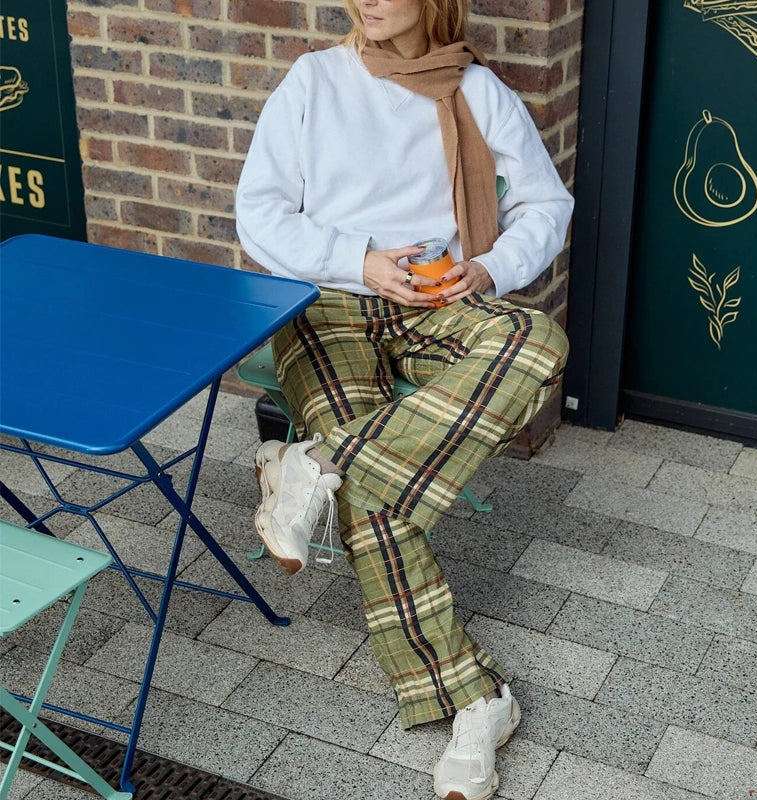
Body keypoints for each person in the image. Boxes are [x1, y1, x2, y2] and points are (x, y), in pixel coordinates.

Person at [235, 0, 572, 797]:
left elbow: (545, 207)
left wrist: (487, 271)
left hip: (441, 299)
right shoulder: (314, 81)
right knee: (377, 505)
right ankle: (478, 700)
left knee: (535, 342)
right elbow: (259, 213)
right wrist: (355, 258)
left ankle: (315, 463)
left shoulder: (477, 91)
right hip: (329, 302)